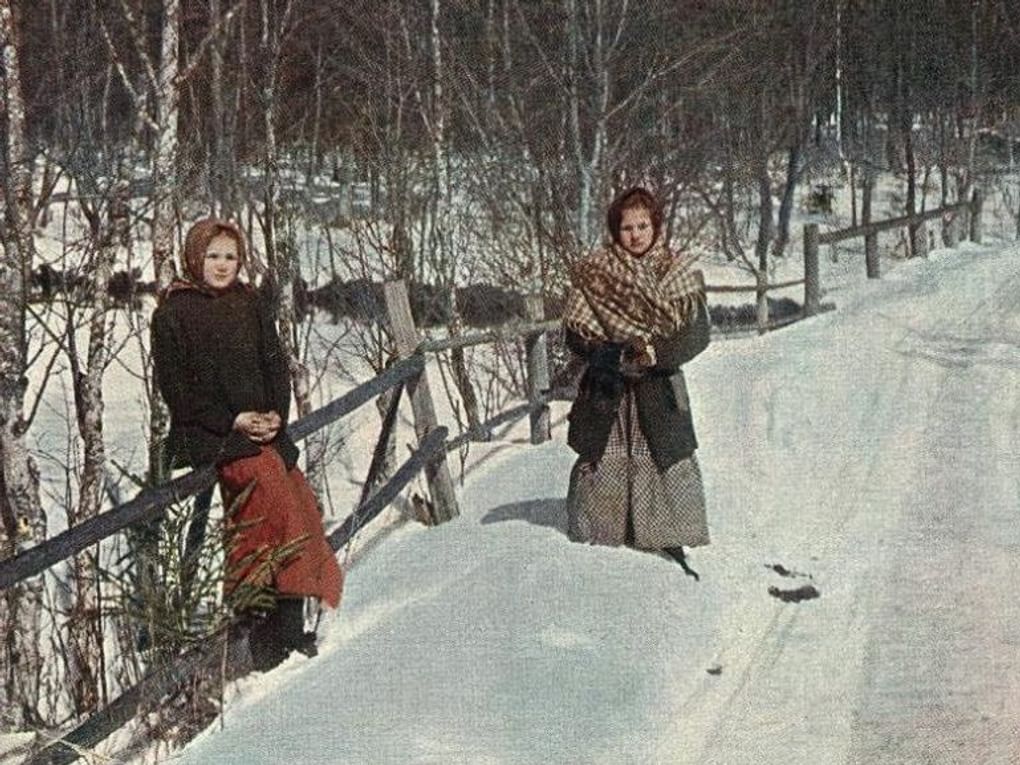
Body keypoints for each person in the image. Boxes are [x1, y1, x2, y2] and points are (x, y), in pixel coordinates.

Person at [151, 218, 343, 670]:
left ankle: (285, 629)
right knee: (273, 500)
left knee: (299, 502)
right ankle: (269, 638)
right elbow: (178, 390)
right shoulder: (172, 313)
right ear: (194, 257)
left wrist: (276, 415)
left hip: (263, 432)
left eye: (230, 257)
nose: (221, 265)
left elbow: (274, 364)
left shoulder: (249, 303)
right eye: (213, 256)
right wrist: (234, 419)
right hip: (212, 435)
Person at [562, 187, 710, 578]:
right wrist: (610, 354)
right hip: (608, 385)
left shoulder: (677, 272)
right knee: (603, 453)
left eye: (643, 225)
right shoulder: (595, 274)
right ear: (615, 230)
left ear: (656, 226)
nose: (636, 235)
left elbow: (697, 334)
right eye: (627, 227)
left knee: (661, 453)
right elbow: (575, 333)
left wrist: (654, 354)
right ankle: (602, 528)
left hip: (657, 386)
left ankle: (664, 531)